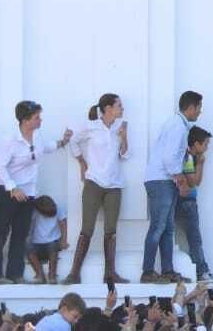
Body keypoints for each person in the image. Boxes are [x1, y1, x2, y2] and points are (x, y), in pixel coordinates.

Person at [0, 100, 72, 284]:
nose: (40, 120)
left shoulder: (36, 136)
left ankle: (14, 274)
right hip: (7, 190)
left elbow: (44, 148)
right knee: (1, 231)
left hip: (28, 192)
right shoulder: (10, 140)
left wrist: (62, 142)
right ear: (25, 120)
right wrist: (13, 187)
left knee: (21, 233)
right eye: (36, 117)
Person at [64, 93, 131, 285]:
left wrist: (124, 139)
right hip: (93, 181)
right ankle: (74, 273)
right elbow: (73, 141)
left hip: (114, 184)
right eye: (119, 105)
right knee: (87, 228)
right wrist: (81, 162)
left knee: (111, 229)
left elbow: (124, 155)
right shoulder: (91, 126)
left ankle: (110, 274)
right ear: (108, 108)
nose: (122, 109)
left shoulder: (121, 126)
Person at [144, 90, 202, 284]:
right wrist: (181, 180)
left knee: (168, 228)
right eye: (199, 108)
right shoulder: (177, 126)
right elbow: (169, 158)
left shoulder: (177, 124)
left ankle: (167, 270)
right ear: (191, 107)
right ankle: (148, 271)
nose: (200, 112)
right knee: (158, 226)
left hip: (163, 180)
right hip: (161, 181)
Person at [176, 126, 213, 285]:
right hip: (187, 203)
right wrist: (201, 164)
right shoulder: (188, 158)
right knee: (195, 239)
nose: (206, 148)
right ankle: (202, 271)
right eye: (205, 144)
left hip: (182, 202)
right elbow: (194, 182)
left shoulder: (185, 157)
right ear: (196, 144)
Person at [27, 194, 67, 284]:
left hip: (52, 242)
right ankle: (39, 275)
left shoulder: (58, 208)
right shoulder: (34, 210)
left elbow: (63, 224)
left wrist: (64, 241)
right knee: (27, 246)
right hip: (36, 243)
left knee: (53, 246)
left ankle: (52, 276)